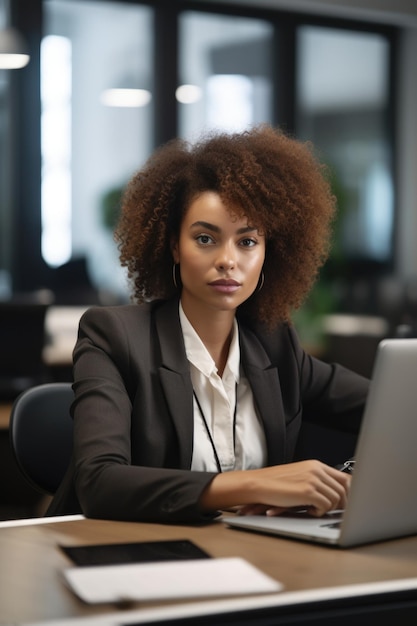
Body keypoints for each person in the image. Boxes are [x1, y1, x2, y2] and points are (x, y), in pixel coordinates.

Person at [47, 124, 369, 524]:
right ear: (173, 247)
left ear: (269, 252)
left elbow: (390, 408)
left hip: (254, 556)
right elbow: (99, 483)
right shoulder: (113, 337)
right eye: (205, 239)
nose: (228, 260)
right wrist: (254, 483)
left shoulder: (274, 344)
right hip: (127, 554)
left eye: (247, 241)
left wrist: (349, 478)